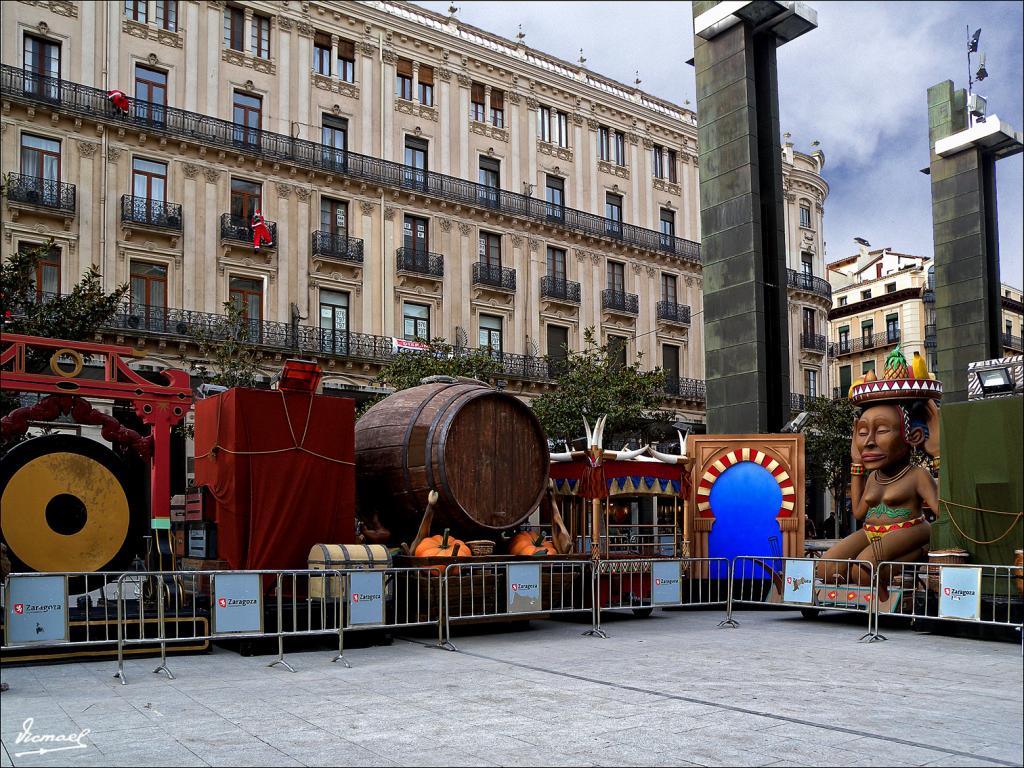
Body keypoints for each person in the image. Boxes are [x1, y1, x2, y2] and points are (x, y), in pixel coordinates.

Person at [819, 347, 941, 592]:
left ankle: (910, 560)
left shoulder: (916, 475)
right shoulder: (874, 476)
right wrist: (856, 463)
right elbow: (858, 512)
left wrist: (937, 453)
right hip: (871, 531)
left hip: (911, 531)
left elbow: (945, 512)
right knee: (826, 568)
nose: (869, 441)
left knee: (862, 570)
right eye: (862, 433)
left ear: (913, 435)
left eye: (882, 430)